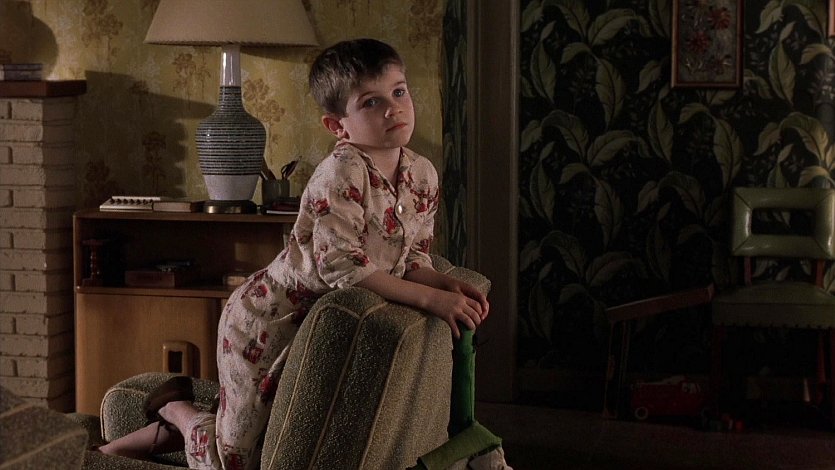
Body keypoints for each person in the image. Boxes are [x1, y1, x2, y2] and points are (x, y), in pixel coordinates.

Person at [97, 38, 490, 469]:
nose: (393, 109)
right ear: (337, 126)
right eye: (371, 102)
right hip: (265, 323)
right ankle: (177, 411)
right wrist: (430, 299)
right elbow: (343, 267)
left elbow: (412, 257)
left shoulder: (423, 174)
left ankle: (174, 426)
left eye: (398, 92)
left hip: (314, 327)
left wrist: (446, 285)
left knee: (264, 442)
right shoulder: (340, 173)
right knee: (237, 460)